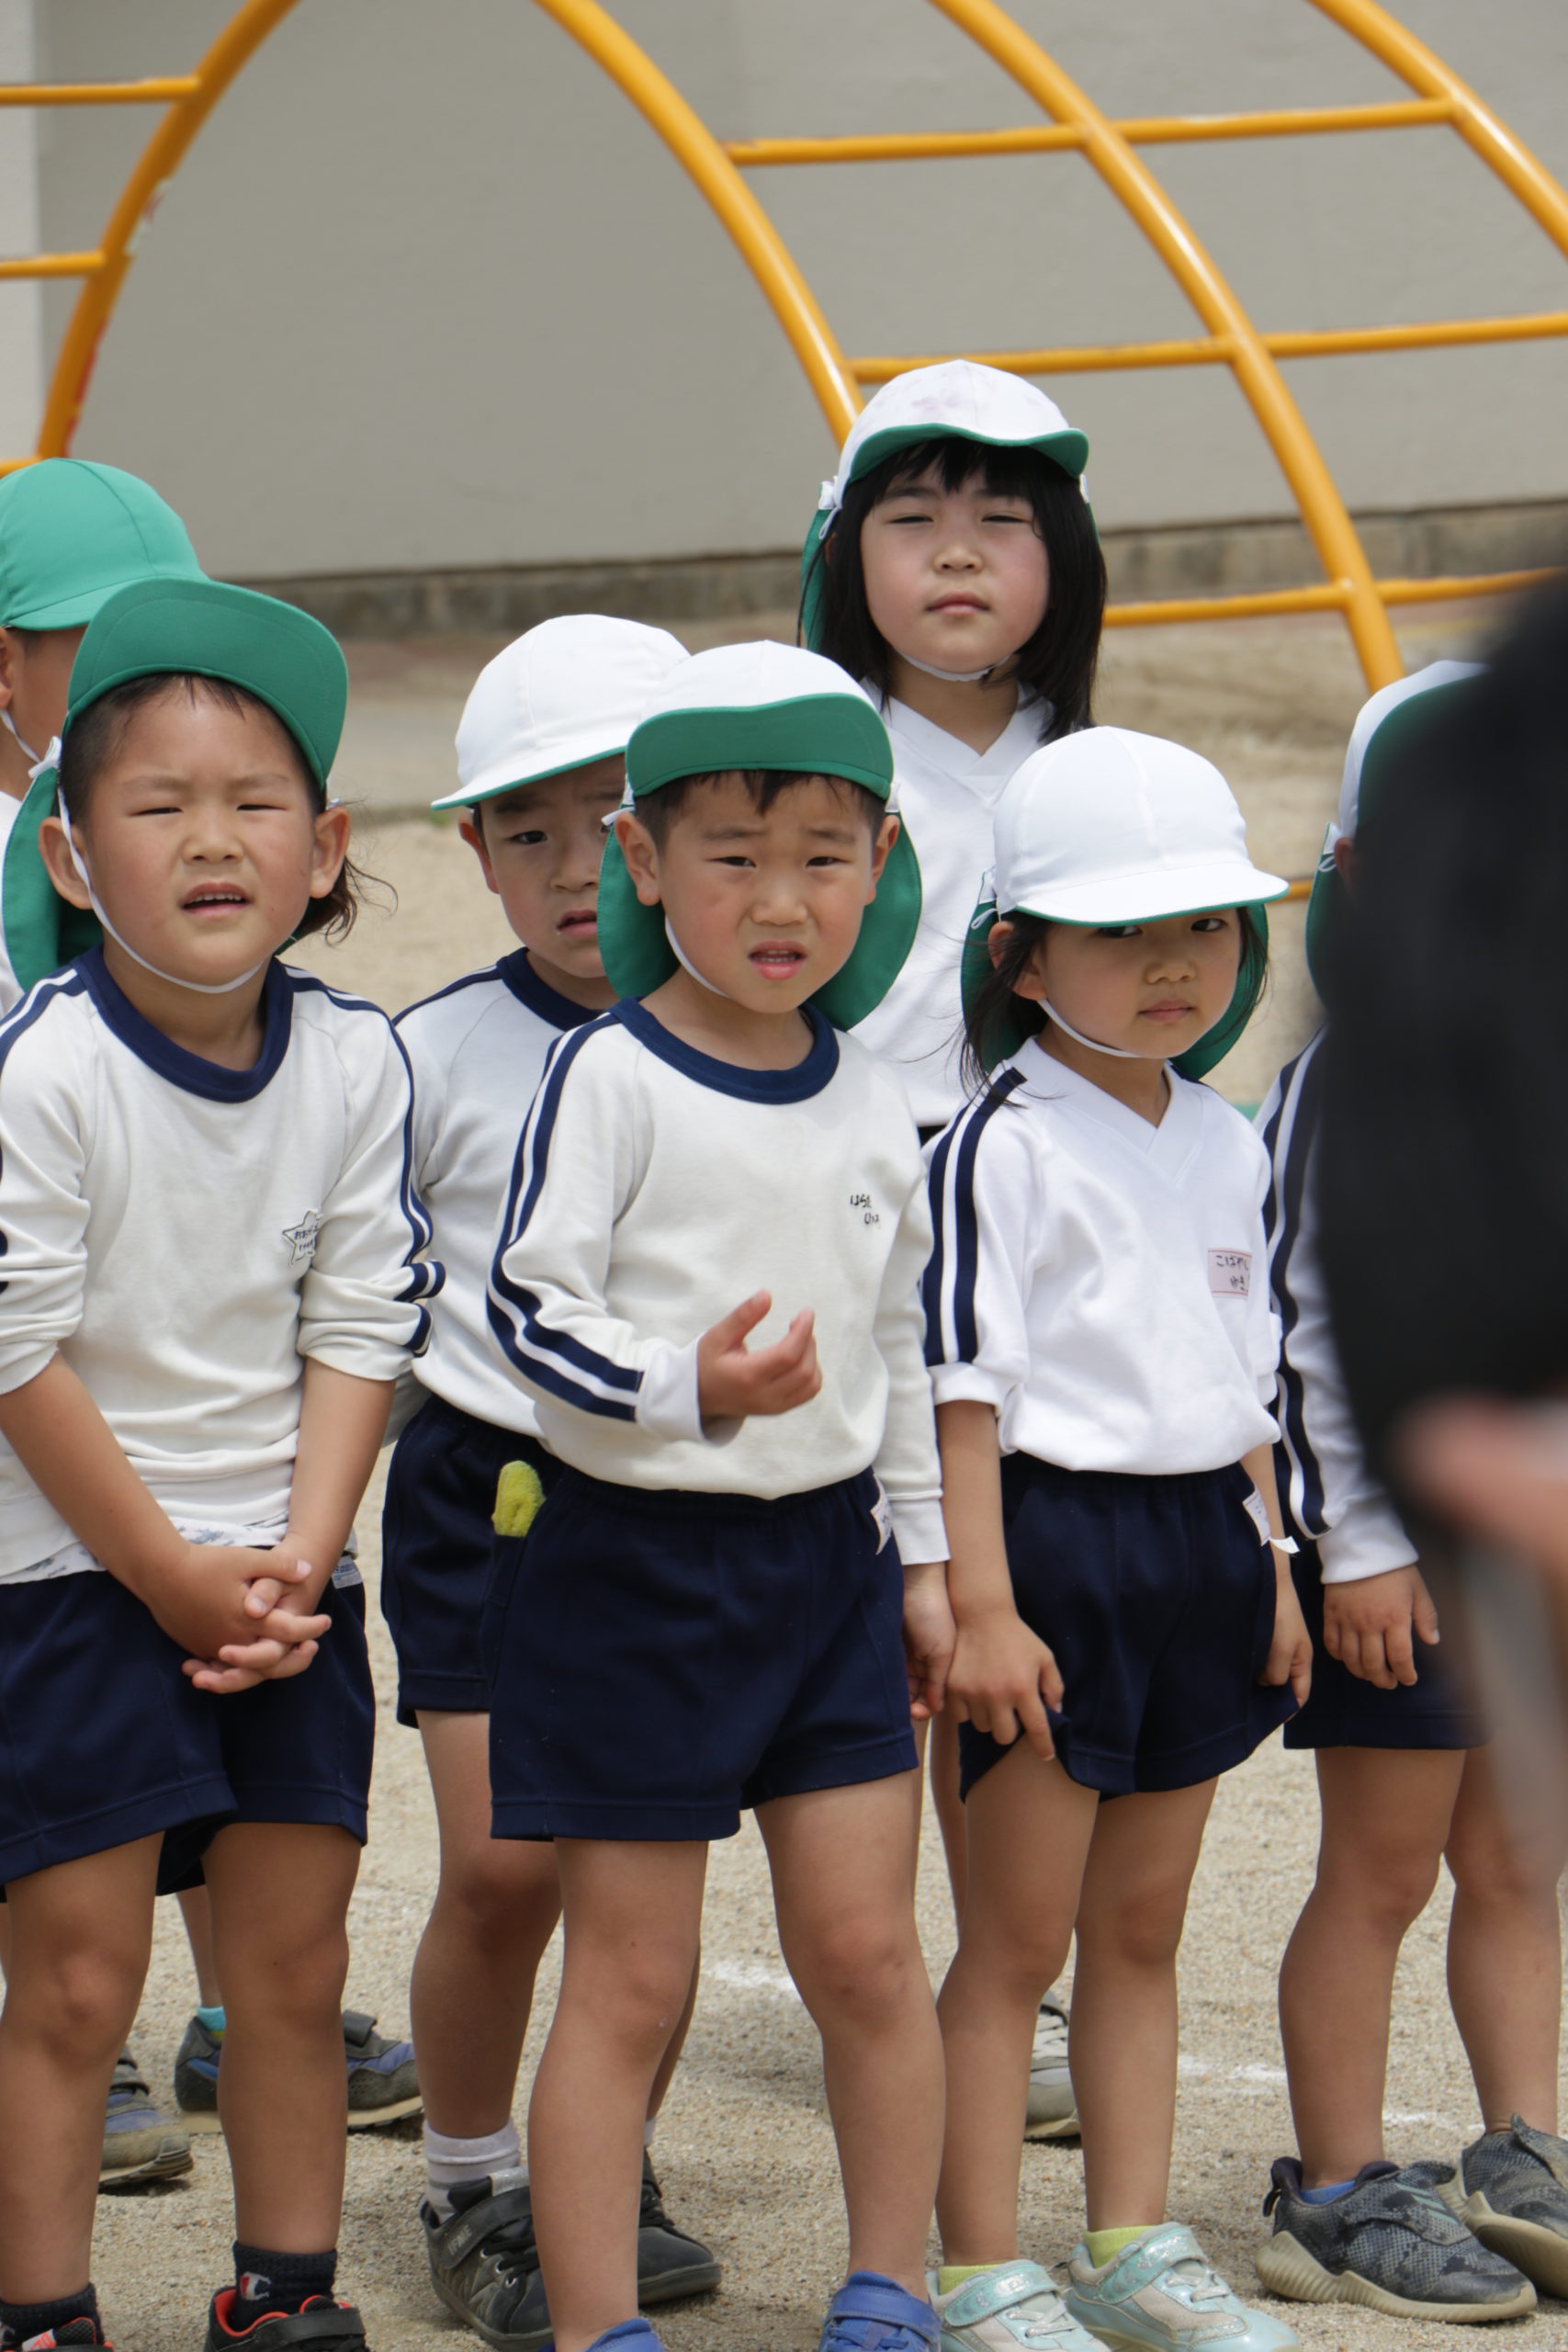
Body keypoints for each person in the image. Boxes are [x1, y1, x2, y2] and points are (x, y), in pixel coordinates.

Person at [484, 640, 953, 2352]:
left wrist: (930, 1566)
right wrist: (691, 1383)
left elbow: (899, 1346)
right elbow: (530, 1310)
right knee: (630, 1982)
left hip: (831, 1570)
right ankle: (600, 2325)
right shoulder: (610, 1074)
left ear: (880, 864)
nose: (779, 899)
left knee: (868, 1954)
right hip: (636, 1569)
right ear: (643, 858)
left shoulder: (878, 1098)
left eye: (823, 856)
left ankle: (890, 2286)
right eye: (732, 855)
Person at [0, 576, 440, 2352]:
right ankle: (44, 2313)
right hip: (71, 1577)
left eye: (256, 802)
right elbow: (13, 1347)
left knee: (293, 1972)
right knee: (76, 1984)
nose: (211, 839)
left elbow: (366, 1321)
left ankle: (284, 2298)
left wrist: (300, 1557)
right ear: (69, 854)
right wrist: (171, 1574)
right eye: (157, 804)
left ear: (324, 849)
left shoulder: (354, 1059)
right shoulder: (42, 1073)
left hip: (282, 1580)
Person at [924, 726, 1310, 2352]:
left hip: (1202, 1552)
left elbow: (1246, 1377)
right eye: (1122, 931)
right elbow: (961, 1394)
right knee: (1016, 1944)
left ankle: (1133, 2245)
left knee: (1141, 1930)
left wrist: (1274, 1566)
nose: (1174, 966)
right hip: (1051, 1554)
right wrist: (981, 1608)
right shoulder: (994, 1144)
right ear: (1019, 958)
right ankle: (973, 2264)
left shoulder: (1226, 1135)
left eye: (1206, 925)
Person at [386, 616, 719, 2345]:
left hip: (670, 1495)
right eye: (529, 832)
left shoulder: (752, 1038)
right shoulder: (427, 1054)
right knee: (506, 1868)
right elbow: (358, 1305)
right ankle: (467, 2180)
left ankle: (603, 2170)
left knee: (640, 1881)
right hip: (486, 1492)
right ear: (477, 853)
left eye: (613, 824)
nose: (577, 869)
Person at [803, 358, 1108, 2121]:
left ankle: (1012, 1984)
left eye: (1004, 518)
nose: (960, 554)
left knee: (1017, 1585)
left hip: (1048, 1221)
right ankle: (885, 1978)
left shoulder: (1096, 769)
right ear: (847, 557)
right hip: (870, 1209)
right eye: (913, 518)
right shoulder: (824, 749)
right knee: (895, 1593)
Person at [1253, 665, 1560, 2320]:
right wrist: (1360, 1549)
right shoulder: (1349, 1084)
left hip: (1517, 1550)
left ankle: (1522, 2148)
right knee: (1378, 1873)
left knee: (1519, 1861)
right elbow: (1303, 1329)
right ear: (1360, 870)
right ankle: (1338, 2184)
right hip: (1400, 1559)